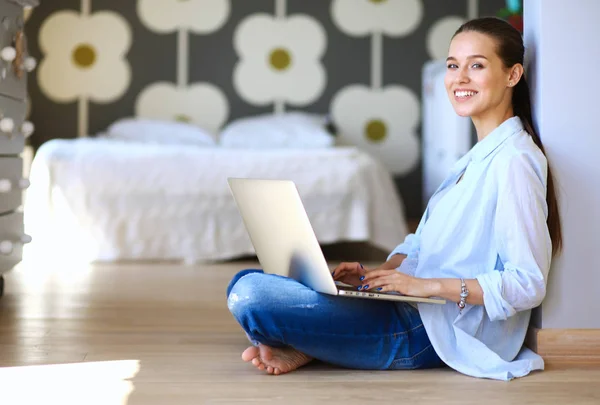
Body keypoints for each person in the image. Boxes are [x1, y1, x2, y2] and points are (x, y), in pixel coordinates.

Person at [225, 17, 562, 381]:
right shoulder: (477, 158)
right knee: (243, 279)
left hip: (435, 333)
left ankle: (309, 343)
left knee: (250, 294)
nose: (459, 78)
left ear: (512, 75)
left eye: (476, 66)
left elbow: (527, 282)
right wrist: (383, 273)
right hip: (414, 308)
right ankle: (315, 342)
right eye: (453, 66)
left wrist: (426, 286)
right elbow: (424, 245)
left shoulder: (515, 161)